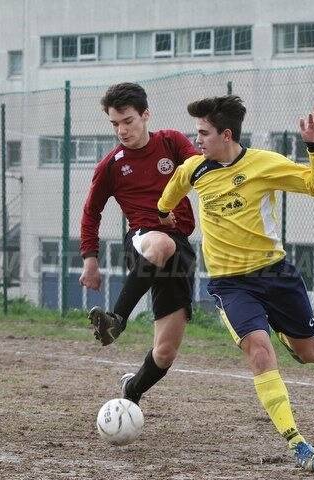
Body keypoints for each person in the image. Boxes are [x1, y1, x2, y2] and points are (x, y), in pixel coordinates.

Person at [156, 96, 314, 472]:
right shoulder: (194, 169)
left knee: (311, 354)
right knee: (258, 352)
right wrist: (164, 214)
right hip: (230, 283)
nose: (197, 140)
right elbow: (169, 195)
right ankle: (297, 443)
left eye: (203, 133)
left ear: (226, 134)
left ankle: (286, 334)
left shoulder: (265, 164)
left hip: (276, 274)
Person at [79, 82, 198, 405]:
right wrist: (90, 258)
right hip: (143, 241)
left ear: (146, 115)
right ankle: (116, 319)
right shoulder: (111, 165)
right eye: (115, 124)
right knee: (160, 244)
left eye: (128, 121)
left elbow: (200, 169)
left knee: (165, 352)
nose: (122, 130)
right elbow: (91, 212)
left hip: (181, 251)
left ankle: (131, 392)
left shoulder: (171, 142)